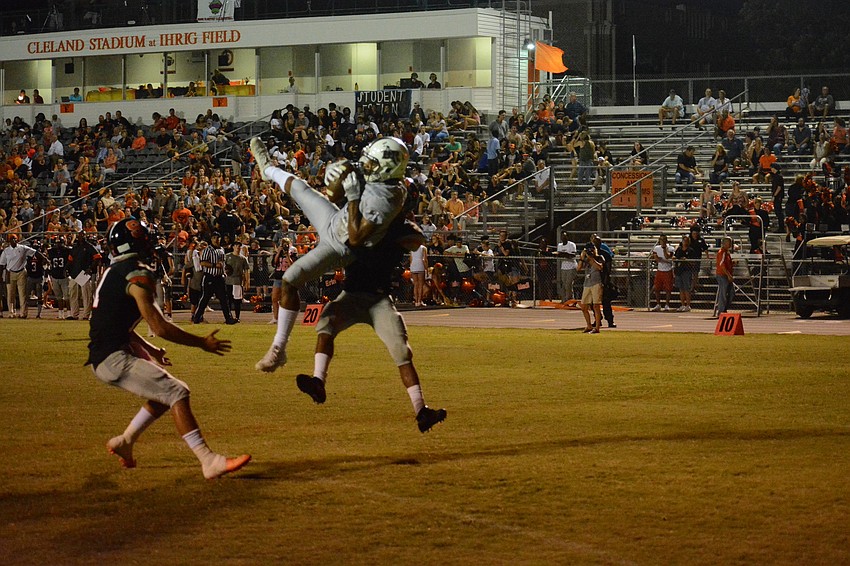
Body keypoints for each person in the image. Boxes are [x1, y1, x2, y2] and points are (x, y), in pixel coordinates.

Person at [87, 218, 250, 480]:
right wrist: (201, 343)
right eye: (145, 238)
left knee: (163, 396)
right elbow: (159, 326)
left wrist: (151, 349)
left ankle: (126, 442)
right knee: (177, 392)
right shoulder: (135, 274)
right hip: (112, 357)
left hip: (109, 353)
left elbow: (117, 324)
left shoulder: (114, 271)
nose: (150, 241)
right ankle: (209, 461)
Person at [251, 136, 409, 372]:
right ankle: (269, 170)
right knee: (300, 187)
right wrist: (338, 178)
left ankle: (278, 348)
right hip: (334, 220)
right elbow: (334, 196)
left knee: (289, 280)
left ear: (387, 169)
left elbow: (355, 237)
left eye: (372, 163)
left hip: (341, 246)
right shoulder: (380, 175)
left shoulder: (388, 198)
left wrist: (353, 194)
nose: (367, 165)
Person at [294, 217, 447, 433]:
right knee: (326, 322)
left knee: (402, 352)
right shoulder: (357, 228)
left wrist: (390, 231)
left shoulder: (392, 231)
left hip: (379, 299)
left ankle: (421, 411)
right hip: (352, 296)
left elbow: (417, 239)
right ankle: (318, 381)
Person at [192, 232, 237, 325]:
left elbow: (222, 263)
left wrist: (224, 271)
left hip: (219, 277)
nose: (216, 239)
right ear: (211, 239)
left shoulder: (221, 249)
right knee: (205, 298)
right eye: (214, 238)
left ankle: (228, 318)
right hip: (210, 277)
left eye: (218, 237)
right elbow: (202, 262)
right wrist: (214, 265)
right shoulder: (208, 249)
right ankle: (197, 317)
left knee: (224, 299)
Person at [0, 235, 37, 318]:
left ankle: (23, 313)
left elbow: (35, 252)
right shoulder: (6, 251)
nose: (14, 240)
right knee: (10, 294)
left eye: (15, 239)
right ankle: (11, 312)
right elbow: (2, 264)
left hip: (21, 272)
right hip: (10, 272)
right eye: (12, 239)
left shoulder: (22, 248)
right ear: (9, 241)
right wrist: (1, 276)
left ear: (17, 239)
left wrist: (45, 257)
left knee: (22, 294)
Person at [578, 241, 603, 334]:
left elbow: (599, 267)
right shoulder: (586, 260)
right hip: (587, 283)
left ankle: (597, 328)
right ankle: (588, 325)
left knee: (596, 306)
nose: (590, 251)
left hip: (596, 283)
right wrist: (582, 257)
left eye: (592, 249)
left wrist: (592, 258)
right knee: (584, 306)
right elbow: (578, 268)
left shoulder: (599, 257)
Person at [224, 241, 250, 322]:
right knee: (228, 299)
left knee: (237, 300)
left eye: (239, 246)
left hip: (237, 281)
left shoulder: (242, 258)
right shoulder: (227, 256)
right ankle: (229, 316)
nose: (238, 247)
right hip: (228, 281)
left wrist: (247, 282)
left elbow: (246, 270)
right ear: (233, 247)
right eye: (236, 246)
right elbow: (223, 266)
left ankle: (237, 316)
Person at [650, 234, 675, 311]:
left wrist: (664, 249)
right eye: (661, 240)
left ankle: (667, 304)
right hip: (660, 270)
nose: (663, 242)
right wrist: (660, 259)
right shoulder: (657, 248)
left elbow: (667, 257)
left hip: (668, 270)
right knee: (657, 288)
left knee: (668, 289)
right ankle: (658, 304)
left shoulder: (670, 248)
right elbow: (656, 258)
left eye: (664, 240)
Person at [555, 230, 577, 302]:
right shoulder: (560, 245)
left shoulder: (572, 245)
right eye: (562, 237)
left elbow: (572, 255)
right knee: (564, 284)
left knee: (568, 284)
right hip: (563, 267)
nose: (563, 238)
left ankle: (569, 299)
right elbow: (559, 254)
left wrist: (564, 254)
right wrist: (563, 254)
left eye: (565, 236)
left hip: (571, 266)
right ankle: (565, 299)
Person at [673, 235, 694, 312]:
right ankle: (682, 304)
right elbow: (675, 257)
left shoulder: (690, 250)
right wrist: (675, 258)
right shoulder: (679, 249)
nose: (685, 242)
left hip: (686, 270)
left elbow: (693, 262)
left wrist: (686, 260)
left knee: (686, 288)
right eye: (684, 240)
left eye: (686, 241)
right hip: (679, 270)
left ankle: (688, 305)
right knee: (681, 288)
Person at [715, 236, 734, 315]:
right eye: (729, 243)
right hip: (722, 275)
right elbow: (722, 264)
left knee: (731, 292)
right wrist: (728, 275)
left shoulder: (727, 253)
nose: (730, 244)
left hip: (725, 275)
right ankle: (721, 311)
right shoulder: (722, 252)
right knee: (723, 293)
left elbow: (726, 264)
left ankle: (724, 308)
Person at [409, 236, 428, 307]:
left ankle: (416, 301)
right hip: (420, 265)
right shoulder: (423, 248)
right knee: (420, 285)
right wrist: (426, 268)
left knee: (415, 284)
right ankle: (420, 301)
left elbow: (410, 259)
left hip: (413, 265)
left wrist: (411, 267)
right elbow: (424, 259)